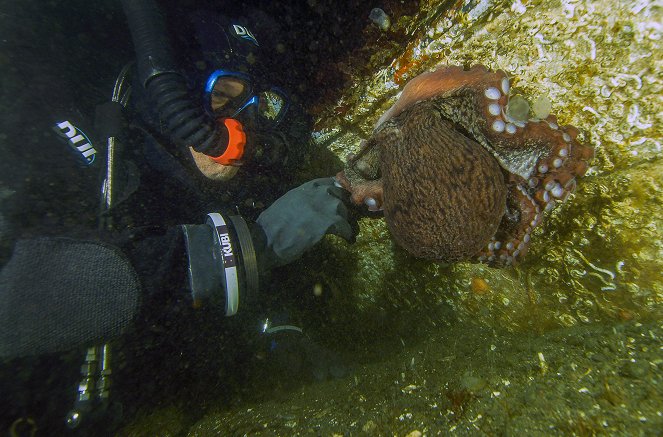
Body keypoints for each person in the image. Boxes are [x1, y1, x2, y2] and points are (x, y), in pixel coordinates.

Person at [0, 0, 354, 431]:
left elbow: (203, 310)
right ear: (172, 95)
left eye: (256, 109)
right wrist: (254, 245)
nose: (239, 130)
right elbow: (22, 284)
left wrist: (276, 332)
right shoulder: (56, 138)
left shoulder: (197, 183)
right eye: (221, 97)